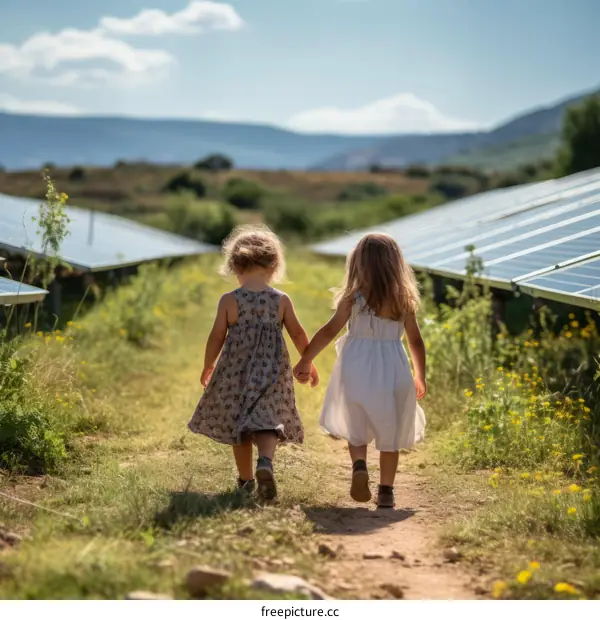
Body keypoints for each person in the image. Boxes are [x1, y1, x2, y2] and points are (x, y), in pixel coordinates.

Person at [294, 233, 426, 509]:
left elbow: (329, 331)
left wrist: (306, 359)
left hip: (356, 366)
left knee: (357, 425)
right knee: (390, 432)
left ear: (358, 265)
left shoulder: (353, 300)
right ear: (396, 264)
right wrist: (419, 375)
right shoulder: (404, 301)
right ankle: (387, 491)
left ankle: (359, 466)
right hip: (393, 368)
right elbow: (415, 340)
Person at [189, 226, 318, 501]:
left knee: (241, 423)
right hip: (272, 371)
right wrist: (308, 360)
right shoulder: (281, 300)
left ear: (235, 265)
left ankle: (246, 481)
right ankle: (266, 462)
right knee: (268, 420)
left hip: (236, 372)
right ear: (274, 265)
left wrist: (208, 365)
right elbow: (297, 333)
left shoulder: (229, 301)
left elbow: (216, 337)